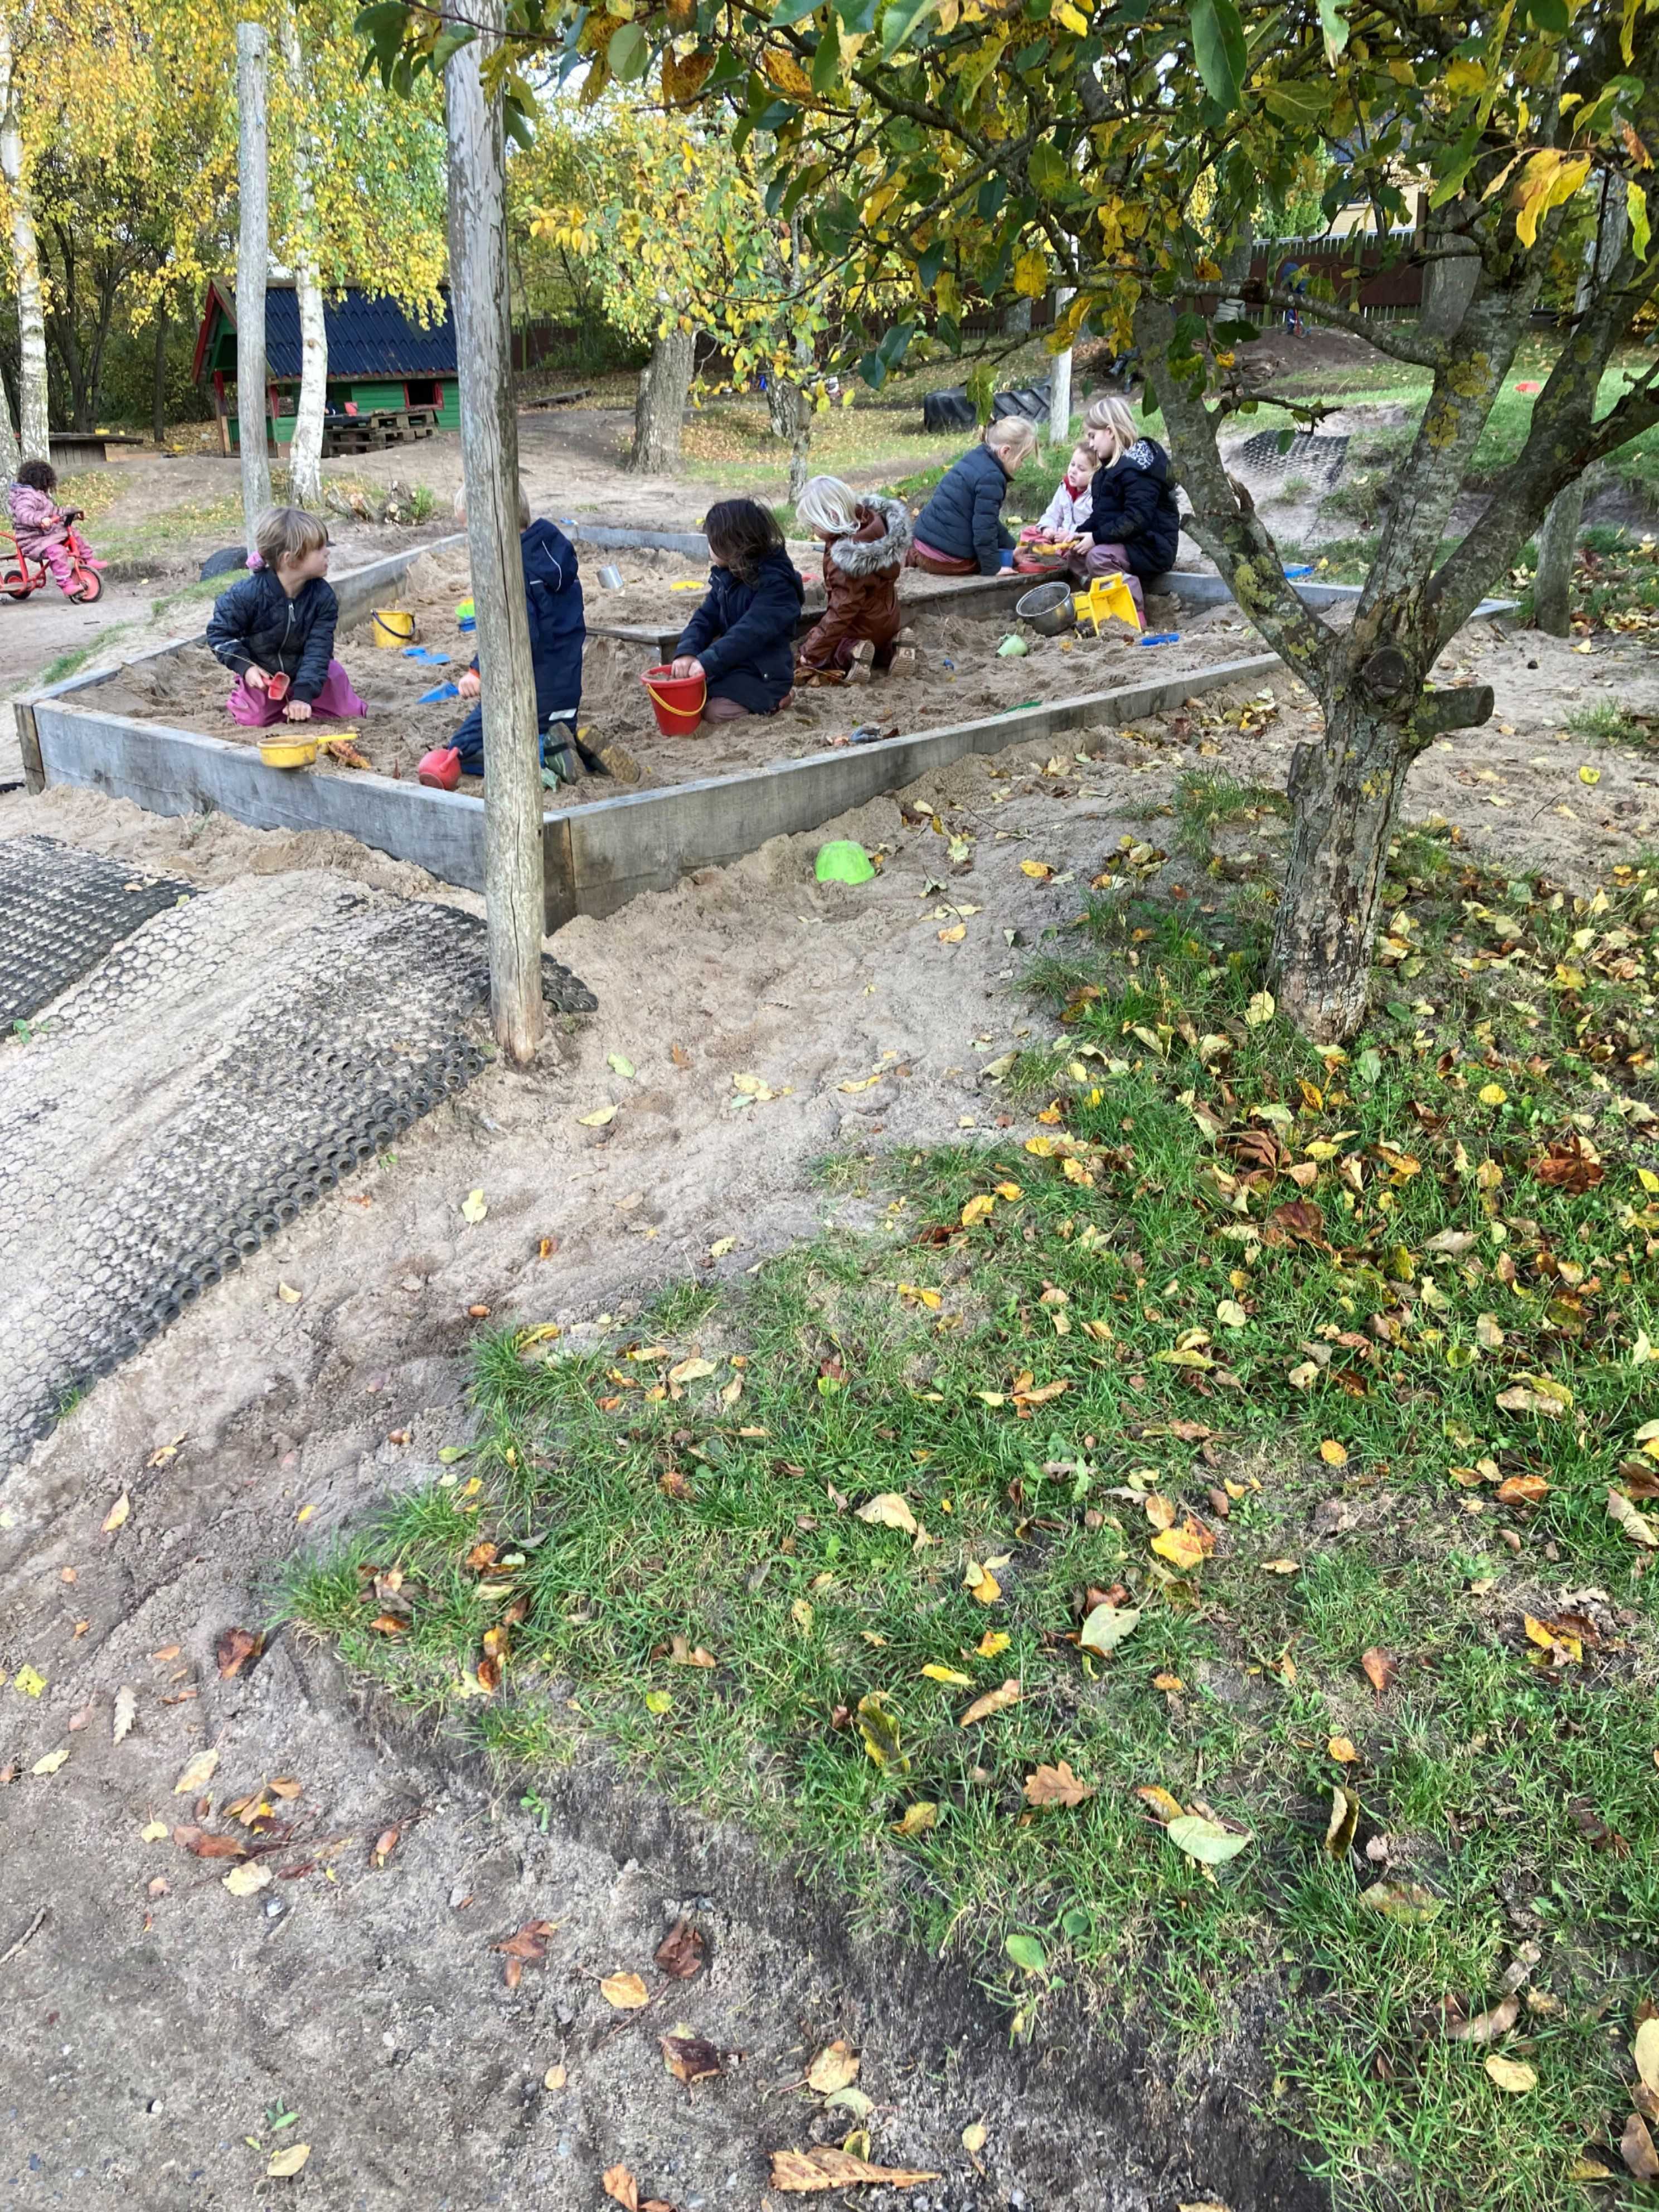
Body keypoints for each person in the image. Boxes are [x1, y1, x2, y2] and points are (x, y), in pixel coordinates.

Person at [420, 484, 586, 786]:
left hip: (528, 690)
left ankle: (547, 757)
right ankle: (559, 745)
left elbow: (515, 633)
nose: (471, 540)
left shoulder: (513, 570)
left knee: (476, 748)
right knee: (478, 741)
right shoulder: (550, 554)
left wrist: (479, 672)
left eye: (472, 530)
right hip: (564, 687)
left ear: (496, 522)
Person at [205, 505, 366, 727]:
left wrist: (303, 695)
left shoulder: (323, 596)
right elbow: (219, 634)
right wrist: (246, 668)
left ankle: (301, 700)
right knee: (255, 719)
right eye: (319, 548)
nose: (327, 552)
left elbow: (319, 648)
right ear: (290, 560)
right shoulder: (246, 594)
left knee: (351, 713)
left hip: (310, 671)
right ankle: (248, 697)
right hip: (267, 677)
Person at [669, 497, 804, 724]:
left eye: (712, 542)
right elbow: (704, 619)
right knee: (695, 699)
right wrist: (687, 651)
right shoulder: (727, 577)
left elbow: (749, 633)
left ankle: (777, 701)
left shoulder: (776, 585)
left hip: (765, 674)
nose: (709, 548)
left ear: (732, 544)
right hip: (733, 665)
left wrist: (707, 661)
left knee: (714, 712)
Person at [793, 476, 914, 687]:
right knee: (878, 646)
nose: (813, 531)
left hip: (861, 626)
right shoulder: (878, 529)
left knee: (833, 651)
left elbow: (842, 611)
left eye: (814, 525)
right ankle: (894, 647)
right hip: (889, 620)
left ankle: (853, 653)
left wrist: (810, 652)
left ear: (831, 516)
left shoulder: (846, 559)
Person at [1069, 395, 1182, 620]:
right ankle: (1102, 597)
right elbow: (1103, 516)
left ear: (1110, 431)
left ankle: (1134, 610)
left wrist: (1097, 538)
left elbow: (1137, 518)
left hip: (1152, 544)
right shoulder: (1107, 471)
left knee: (1098, 558)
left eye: (1093, 436)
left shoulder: (1137, 470)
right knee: (1075, 556)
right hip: (1130, 541)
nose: (1090, 444)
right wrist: (1076, 535)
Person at [909, 415, 1037, 576]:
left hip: (922, 544)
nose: (1021, 465)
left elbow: (986, 518)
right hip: (945, 558)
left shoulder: (977, 457)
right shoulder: (992, 477)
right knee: (981, 561)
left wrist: (1011, 548)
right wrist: (994, 568)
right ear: (1005, 451)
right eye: (1022, 459)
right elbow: (984, 530)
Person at [6, 458, 91, 600]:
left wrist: (71, 512)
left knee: (73, 533)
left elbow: (54, 511)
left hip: (45, 536)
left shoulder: (40, 495)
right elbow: (24, 514)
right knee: (58, 552)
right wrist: (40, 520)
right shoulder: (25, 497)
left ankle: (88, 559)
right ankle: (66, 585)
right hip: (32, 541)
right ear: (40, 480)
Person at [1034, 444, 1095, 541]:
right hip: (1059, 535)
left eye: (1081, 469)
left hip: (1078, 539)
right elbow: (1053, 514)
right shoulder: (1065, 488)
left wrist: (1071, 535)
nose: (1073, 471)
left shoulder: (1094, 496)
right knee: (1030, 532)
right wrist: (1048, 528)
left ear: (1095, 473)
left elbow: (1092, 527)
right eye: (1072, 464)